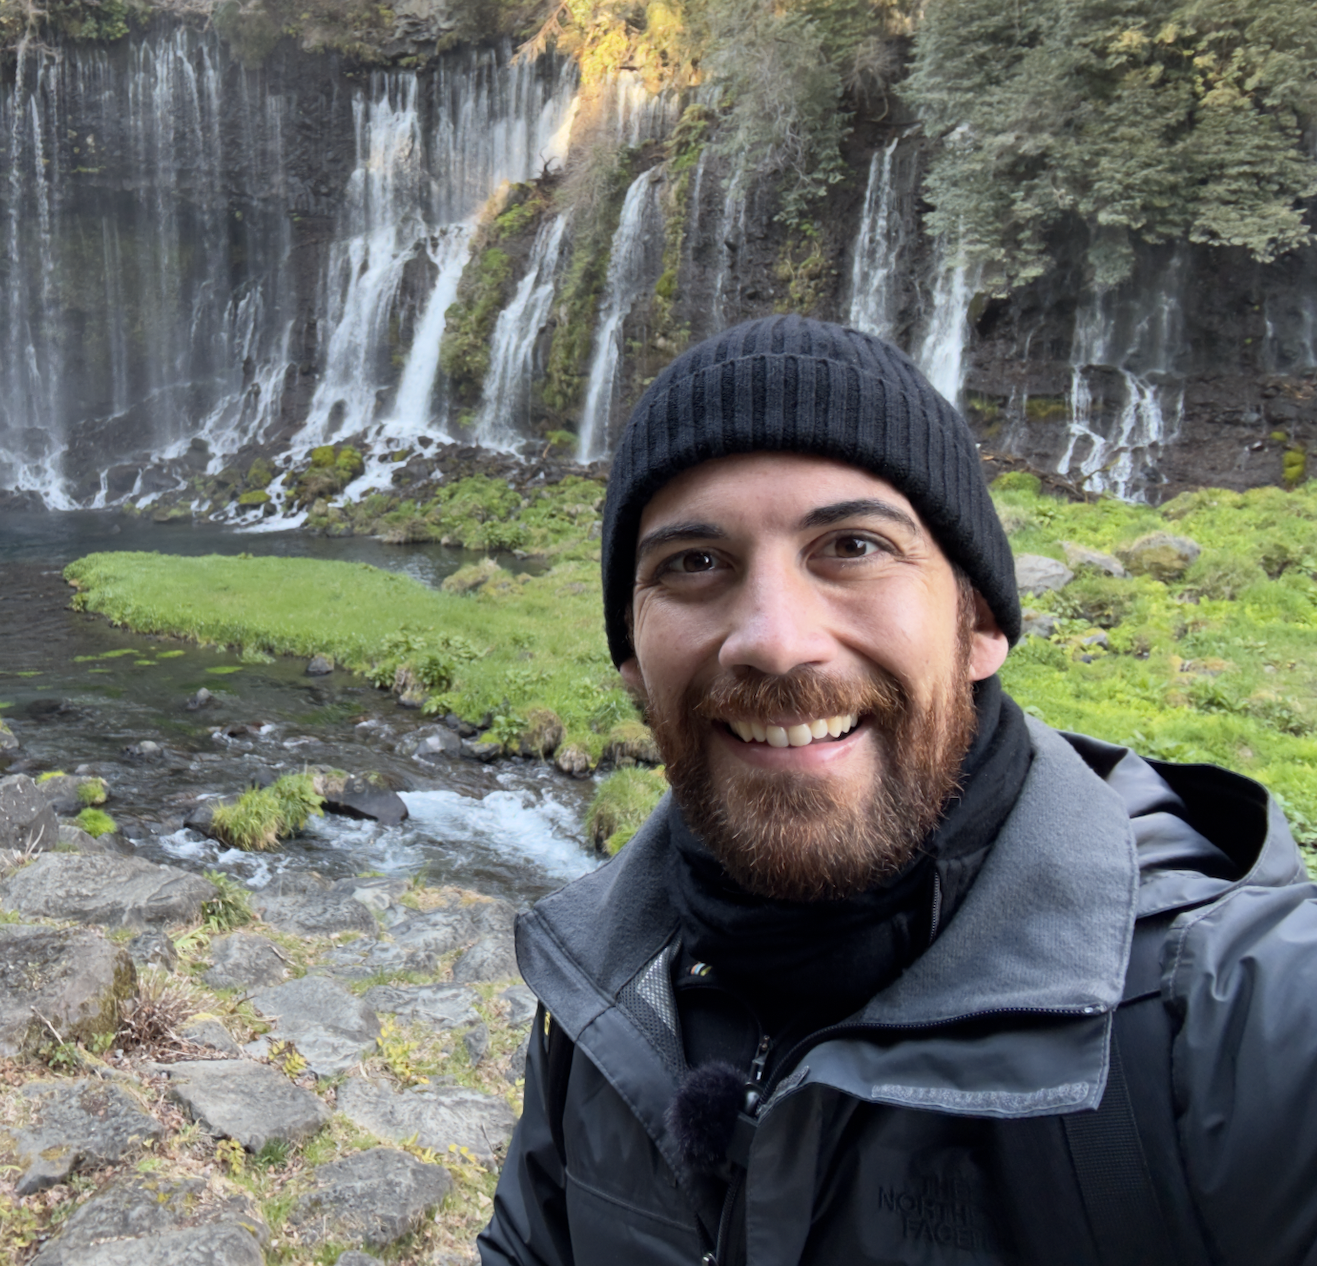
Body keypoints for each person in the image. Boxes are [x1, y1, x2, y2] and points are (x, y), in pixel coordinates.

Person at [478, 314, 1317, 1265]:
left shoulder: (1222, 1016)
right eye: (694, 564)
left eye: (853, 547)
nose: (777, 638)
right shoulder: (600, 987)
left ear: (983, 623)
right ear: (632, 662)